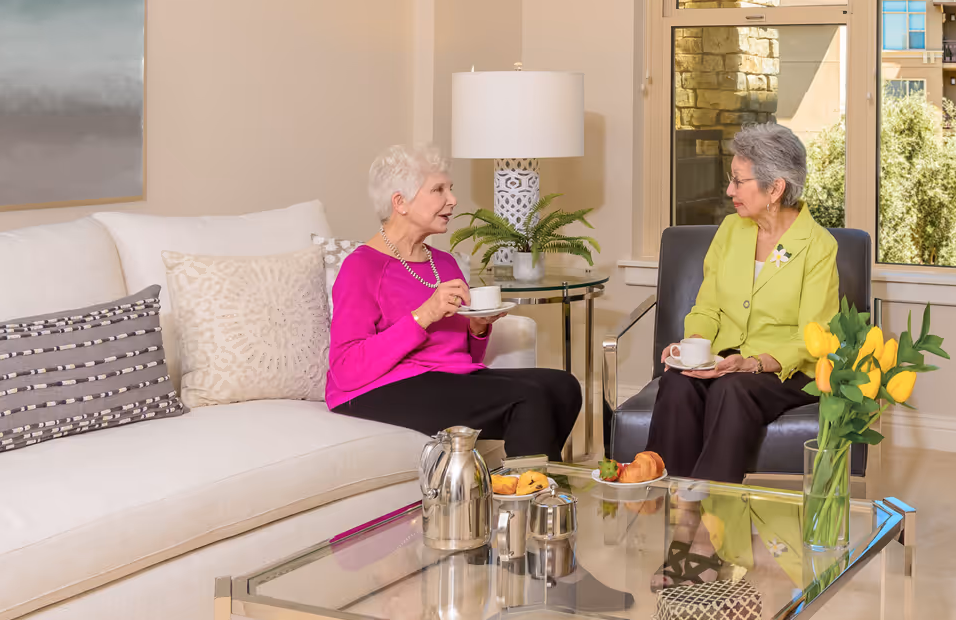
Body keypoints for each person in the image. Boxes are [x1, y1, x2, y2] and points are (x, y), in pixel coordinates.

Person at [328, 144, 582, 461]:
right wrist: (423, 315)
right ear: (400, 202)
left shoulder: (444, 263)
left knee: (563, 386)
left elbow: (461, 355)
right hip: (378, 388)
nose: (453, 200)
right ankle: (529, 503)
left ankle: (527, 487)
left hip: (444, 376)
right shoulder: (363, 267)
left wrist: (477, 328)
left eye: (451, 188)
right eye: (438, 190)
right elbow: (346, 369)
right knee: (528, 397)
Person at [644, 123, 840, 484]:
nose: (729, 190)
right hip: (723, 357)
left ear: (776, 188)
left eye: (739, 181)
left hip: (784, 370)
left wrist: (752, 363)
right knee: (676, 383)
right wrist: (692, 349)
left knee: (732, 388)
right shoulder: (731, 230)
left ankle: (709, 514)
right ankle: (666, 498)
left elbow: (813, 336)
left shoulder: (818, 246)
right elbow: (706, 308)